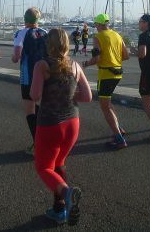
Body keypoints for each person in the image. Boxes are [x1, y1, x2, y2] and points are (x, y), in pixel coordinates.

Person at [30, 28, 92, 225]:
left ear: (48, 44)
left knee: (44, 167)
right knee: (59, 163)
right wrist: (69, 95)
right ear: (67, 43)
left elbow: (34, 96)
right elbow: (88, 96)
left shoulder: (42, 65)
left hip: (50, 124)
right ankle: (60, 209)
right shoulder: (75, 66)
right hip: (72, 123)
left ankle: (67, 193)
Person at [81, 13, 130, 149]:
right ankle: (119, 128)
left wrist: (85, 64)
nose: (95, 27)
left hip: (106, 74)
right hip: (118, 73)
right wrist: (114, 58)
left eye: (96, 24)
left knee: (105, 107)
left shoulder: (98, 37)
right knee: (108, 103)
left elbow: (96, 59)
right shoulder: (117, 35)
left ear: (99, 24)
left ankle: (119, 139)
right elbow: (126, 55)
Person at [12, 7, 48, 154]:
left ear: (25, 19)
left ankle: (38, 144)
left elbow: (16, 57)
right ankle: (47, 137)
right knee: (42, 106)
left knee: (29, 109)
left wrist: (14, 57)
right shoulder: (45, 33)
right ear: (38, 19)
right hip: (45, 74)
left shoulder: (21, 33)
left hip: (28, 75)